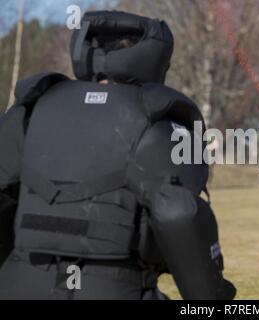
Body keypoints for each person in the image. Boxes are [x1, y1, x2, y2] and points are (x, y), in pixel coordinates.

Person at [0, 10, 235, 300]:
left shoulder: (31, 107)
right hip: (112, 285)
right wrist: (211, 295)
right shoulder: (155, 116)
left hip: (19, 282)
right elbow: (179, 214)